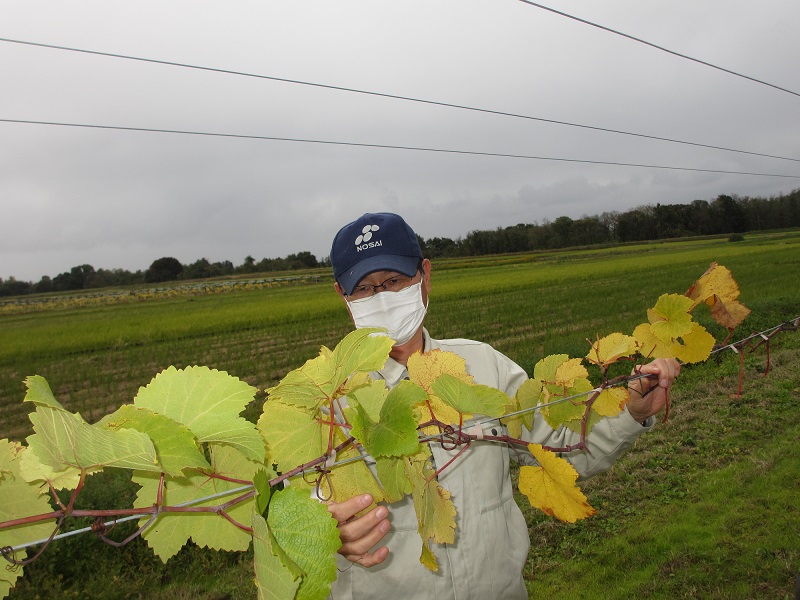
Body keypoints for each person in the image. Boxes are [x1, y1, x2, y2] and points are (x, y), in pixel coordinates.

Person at [325, 212, 679, 600]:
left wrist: (633, 414)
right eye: (363, 288)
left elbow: (561, 452)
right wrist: (328, 533)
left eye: (394, 281)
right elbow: (301, 514)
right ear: (343, 296)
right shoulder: (325, 400)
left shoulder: (484, 367)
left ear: (425, 275)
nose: (382, 298)